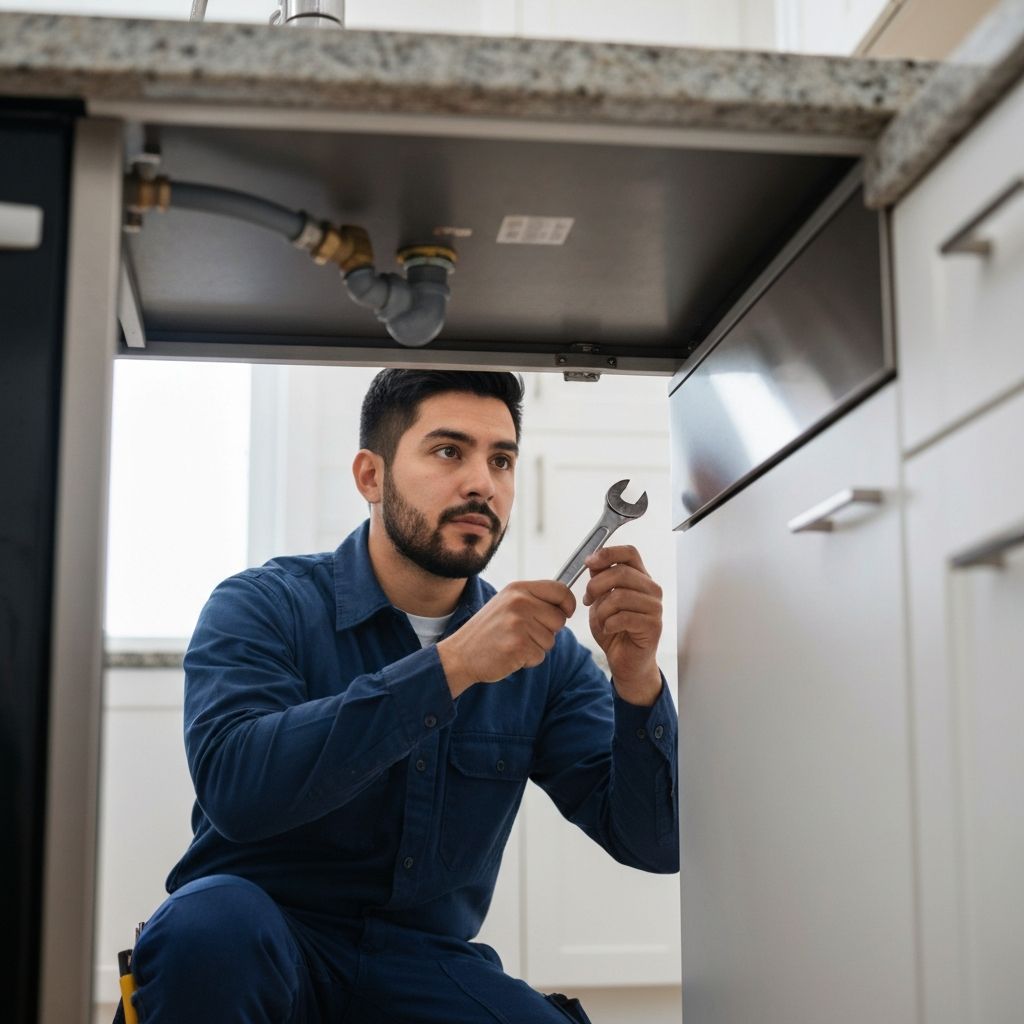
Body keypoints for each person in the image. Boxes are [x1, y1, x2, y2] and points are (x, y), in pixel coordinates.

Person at [128, 369, 679, 1023]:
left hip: (425, 965)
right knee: (207, 926)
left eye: (500, 459)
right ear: (371, 476)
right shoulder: (262, 606)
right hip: (259, 944)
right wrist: (450, 667)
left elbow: (656, 844)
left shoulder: (548, 661)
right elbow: (238, 792)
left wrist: (637, 680)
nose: (482, 482)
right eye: (449, 451)